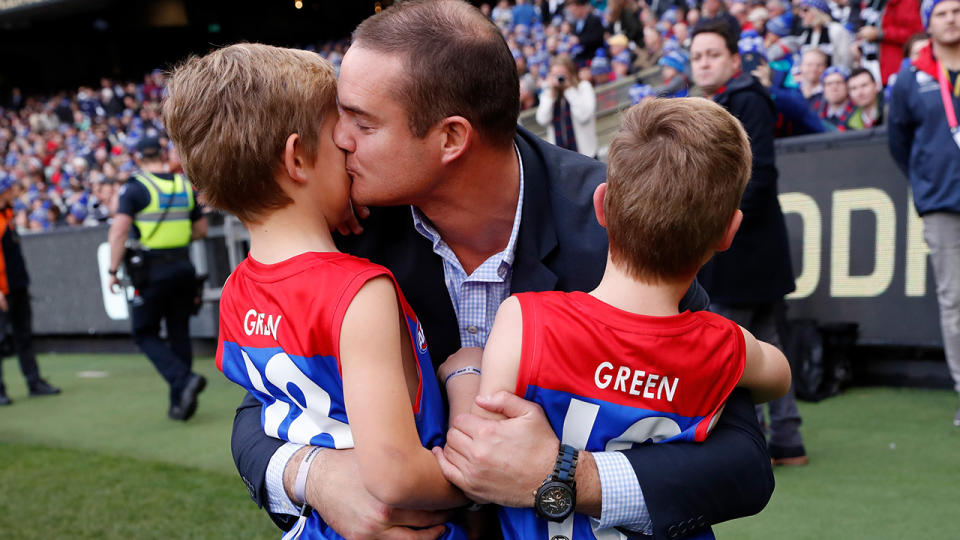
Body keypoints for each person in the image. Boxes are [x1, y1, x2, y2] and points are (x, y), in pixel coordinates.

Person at [232, 2, 774, 539]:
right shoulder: (347, 229)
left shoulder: (612, 223)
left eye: (362, 122)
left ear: (451, 138)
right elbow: (254, 408)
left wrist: (564, 476)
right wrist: (316, 477)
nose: (340, 138)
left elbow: (743, 461)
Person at [437, 97, 793, 540]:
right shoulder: (724, 345)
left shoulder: (526, 319)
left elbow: (483, 453)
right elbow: (778, 375)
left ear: (601, 205)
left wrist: (463, 372)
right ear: (728, 232)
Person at [163, 42, 468, 540]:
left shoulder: (237, 288)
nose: (351, 145)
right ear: (297, 159)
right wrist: (483, 483)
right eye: (338, 136)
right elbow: (396, 476)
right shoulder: (359, 291)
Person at [691, 19, 809, 466]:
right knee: (766, 343)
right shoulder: (721, 101)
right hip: (750, 251)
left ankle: (746, 444)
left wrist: (710, 228)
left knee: (727, 348)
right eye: (697, 55)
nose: (704, 63)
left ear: (735, 60)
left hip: (742, 254)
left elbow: (758, 179)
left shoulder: (743, 100)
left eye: (713, 54)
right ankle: (786, 439)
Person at [888, 0, 960, 426]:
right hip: (942, 203)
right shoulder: (911, 78)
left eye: (957, 9)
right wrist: (927, 178)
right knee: (955, 301)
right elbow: (899, 141)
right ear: (928, 23)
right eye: (942, 12)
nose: (952, 18)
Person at [106, 136, 208, 421]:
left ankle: (182, 380)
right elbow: (200, 229)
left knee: (144, 332)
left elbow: (118, 232)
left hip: (152, 270)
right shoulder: (183, 185)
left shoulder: (135, 188)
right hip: (183, 266)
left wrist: (113, 270)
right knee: (179, 332)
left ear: (138, 157)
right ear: (162, 153)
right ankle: (180, 404)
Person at [0, 174, 60, 406]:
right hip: (3, 291)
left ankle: (34, 382)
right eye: (10, 189)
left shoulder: (9, 214)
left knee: (24, 337)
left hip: (18, 286)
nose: (14, 191)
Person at [535, 54, 599, 157]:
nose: (559, 78)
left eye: (562, 74)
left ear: (571, 73)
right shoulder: (549, 94)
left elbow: (584, 116)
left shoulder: (583, 88)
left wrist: (569, 89)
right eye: (555, 75)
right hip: (560, 159)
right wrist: (551, 94)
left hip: (586, 155)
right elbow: (542, 120)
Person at [818, 65, 857, 130]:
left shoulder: (858, 111)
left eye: (838, 83)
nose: (834, 88)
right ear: (823, 88)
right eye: (829, 84)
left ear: (847, 86)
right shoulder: (817, 113)